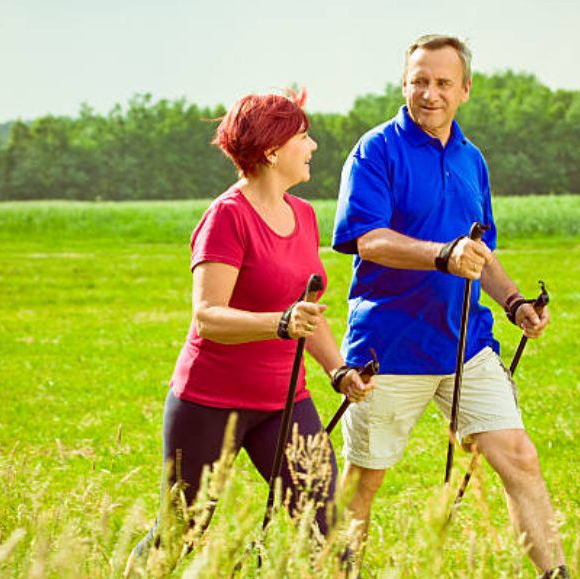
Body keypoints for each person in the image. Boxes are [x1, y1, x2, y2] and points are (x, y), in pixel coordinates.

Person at [332, 35, 569, 579]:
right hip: (386, 349)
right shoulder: (375, 151)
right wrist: (442, 254)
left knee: (520, 458)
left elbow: (479, 252)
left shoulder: (471, 159)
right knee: (365, 478)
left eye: (442, 82)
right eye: (419, 80)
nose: (429, 93)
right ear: (403, 84)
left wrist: (513, 303)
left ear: (465, 89)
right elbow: (367, 239)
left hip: (466, 343)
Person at [125, 88, 373, 577]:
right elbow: (209, 317)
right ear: (272, 150)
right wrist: (278, 324)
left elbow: (309, 313)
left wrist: (338, 369)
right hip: (209, 404)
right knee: (182, 530)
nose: (314, 145)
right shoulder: (227, 217)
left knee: (328, 529)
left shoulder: (303, 215)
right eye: (304, 136)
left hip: (284, 401)